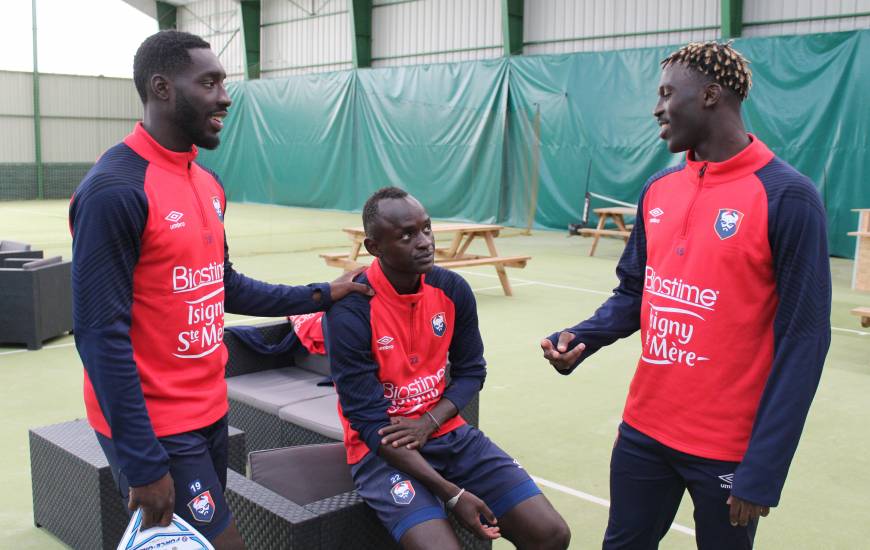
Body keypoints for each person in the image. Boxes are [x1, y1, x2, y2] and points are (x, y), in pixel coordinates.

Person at [69, 30, 371, 549]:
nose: (225, 97)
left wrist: (322, 294)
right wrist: (142, 462)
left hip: (210, 409)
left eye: (223, 83)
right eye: (209, 83)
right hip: (156, 427)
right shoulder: (114, 189)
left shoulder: (207, 184)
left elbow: (224, 286)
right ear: (162, 88)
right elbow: (99, 336)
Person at [541, 40, 831, 549]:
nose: (657, 107)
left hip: (728, 447)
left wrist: (764, 466)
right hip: (643, 431)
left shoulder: (788, 196)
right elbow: (636, 291)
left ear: (712, 96)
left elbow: (804, 340)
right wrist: (583, 337)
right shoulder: (658, 188)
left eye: (667, 93)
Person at [326, 187, 571, 550]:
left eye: (426, 229)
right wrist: (453, 495)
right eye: (406, 235)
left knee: (552, 535)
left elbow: (472, 371)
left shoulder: (452, 289)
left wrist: (429, 422)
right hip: (382, 450)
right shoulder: (350, 310)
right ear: (374, 247)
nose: (424, 242)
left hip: (447, 434)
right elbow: (368, 422)